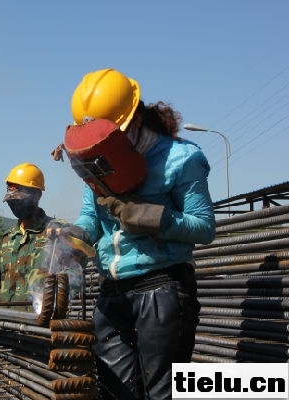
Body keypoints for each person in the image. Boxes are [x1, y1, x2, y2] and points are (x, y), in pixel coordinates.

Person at [58, 68, 216, 400]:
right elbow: (91, 215)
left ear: (133, 121)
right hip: (112, 292)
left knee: (162, 394)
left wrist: (155, 217)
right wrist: (76, 237)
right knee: (116, 393)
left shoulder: (181, 159)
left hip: (162, 289)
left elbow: (204, 228)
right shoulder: (96, 160)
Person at [0, 162, 89, 314]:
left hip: (43, 325)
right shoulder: (8, 238)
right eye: (12, 201)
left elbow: (75, 272)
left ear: (37, 195)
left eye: (19, 200)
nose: (15, 205)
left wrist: (53, 295)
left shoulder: (57, 232)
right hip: (9, 324)